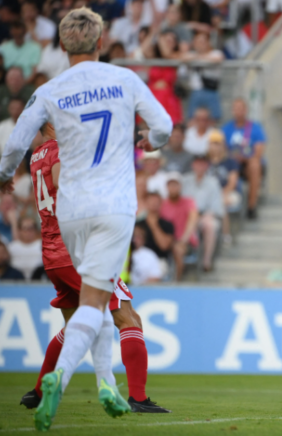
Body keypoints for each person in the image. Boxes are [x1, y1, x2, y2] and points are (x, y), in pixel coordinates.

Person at [0, 8, 172, 430]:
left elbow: (17, 140)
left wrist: (5, 177)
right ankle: (72, 380)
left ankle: (103, 383)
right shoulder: (124, 79)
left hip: (67, 217)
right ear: (100, 42)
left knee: (88, 310)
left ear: (61, 45)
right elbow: (164, 125)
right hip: (111, 207)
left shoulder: (51, 90)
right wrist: (152, 141)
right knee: (105, 305)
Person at [18, 123, 170, 414]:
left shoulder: (37, 154)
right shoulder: (63, 151)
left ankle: (38, 392)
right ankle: (137, 398)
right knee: (128, 319)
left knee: (73, 326)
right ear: (52, 123)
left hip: (52, 254)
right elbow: (66, 188)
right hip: (80, 252)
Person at [222, 98, 267, 219]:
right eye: (236, 109)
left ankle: (251, 206)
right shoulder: (226, 129)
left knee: (255, 165)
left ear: (246, 110)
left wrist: (244, 158)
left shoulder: (255, 128)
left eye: (241, 109)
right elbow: (222, 151)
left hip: (246, 165)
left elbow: (258, 152)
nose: (238, 112)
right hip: (231, 164)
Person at [182, 156, 225, 272]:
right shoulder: (184, 180)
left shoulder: (213, 182)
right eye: (197, 163)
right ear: (193, 165)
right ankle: (182, 259)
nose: (200, 167)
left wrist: (203, 216)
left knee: (211, 225)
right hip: (186, 217)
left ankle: (206, 261)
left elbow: (216, 208)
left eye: (203, 164)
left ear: (207, 166)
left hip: (204, 216)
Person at [161, 172, 199, 281]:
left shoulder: (188, 202)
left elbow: (193, 219)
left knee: (178, 250)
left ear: (180, 186)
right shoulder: (162, 203)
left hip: (186, 242)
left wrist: (183, 240)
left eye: (176, 185)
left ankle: (177, 281)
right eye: (171, 185)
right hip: (169, 241)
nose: (173, 188)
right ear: (167, 187)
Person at [208, 130, 241, 242]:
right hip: (209, 193)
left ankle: (225, 234)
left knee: (221, 202)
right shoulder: (204, 160)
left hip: (228, 193)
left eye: (218, 143)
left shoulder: (230, 161)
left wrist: (220, 194)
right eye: (213, 143)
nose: (216, 146)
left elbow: (232, 183)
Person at [185, 31, 224, 121]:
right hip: (196, 92)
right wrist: (198, 56)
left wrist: (199, 58)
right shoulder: (191, 55)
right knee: (193, 120)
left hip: (211, 91)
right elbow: (182, 58)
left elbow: (218, 59)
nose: (201, 44)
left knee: (213, 120)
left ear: (208, 42)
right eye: (198, 41)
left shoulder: (215, 53)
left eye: (203, 41)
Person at [136, 191, 174, 272]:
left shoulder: (167, 225)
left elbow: (164, 246)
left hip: (159, 261)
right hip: (139, 260)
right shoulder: (138, 225)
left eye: (156, 202)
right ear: (146, 203)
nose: (154, 204)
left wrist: (154, 225)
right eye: (151, 201)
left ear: (161, 204)